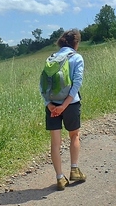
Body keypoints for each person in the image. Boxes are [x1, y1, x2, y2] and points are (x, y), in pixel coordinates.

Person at [41, 29, 85, 190]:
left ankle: (60, 178)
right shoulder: (76, 57)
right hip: (71, 104)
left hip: (52, 104)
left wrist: (49, 104)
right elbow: (77, 83)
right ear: (76, 43)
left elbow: (43, 85)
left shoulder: (51, 58)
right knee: (74, 135)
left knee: (55, 143)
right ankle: (74, 169)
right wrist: (65, 105)